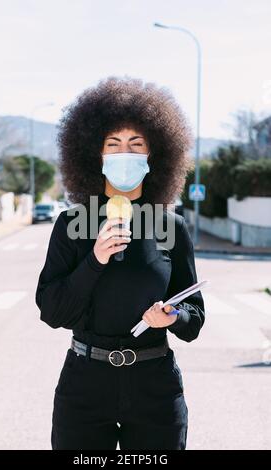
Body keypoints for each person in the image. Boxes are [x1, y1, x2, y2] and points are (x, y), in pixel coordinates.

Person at [35, 76, 205, 450]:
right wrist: (94, 260)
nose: (124, 153)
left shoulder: (171, 227)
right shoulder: (70, 224)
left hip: (154, 386)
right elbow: (51, 310)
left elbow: (194, 318)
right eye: (113, 144)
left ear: (153, 154)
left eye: (136, 144)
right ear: (94, 155)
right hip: (85, 384)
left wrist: (174, 317)